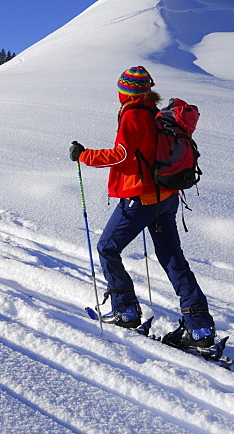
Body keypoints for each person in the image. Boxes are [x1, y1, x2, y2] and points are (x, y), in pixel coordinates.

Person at [69, 66, 215, 349]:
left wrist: (84, 156)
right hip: (166, 195)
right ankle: (199, 327)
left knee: (107, 248)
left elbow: (121, 155)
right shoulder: (153, 113)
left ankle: (125, 311)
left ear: (126, 91)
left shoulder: (134, 114)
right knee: (173, 258)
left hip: (142, 197)